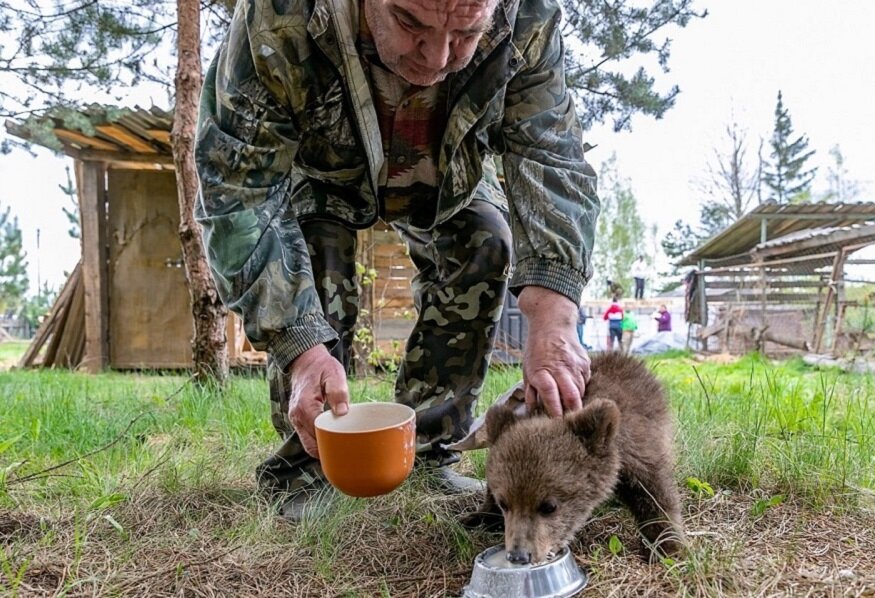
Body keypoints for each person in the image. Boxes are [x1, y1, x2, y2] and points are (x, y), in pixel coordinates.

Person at [194, 0, 600, 516]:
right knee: (316, 256)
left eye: (466, 34)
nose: (436, 58)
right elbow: (236, 188)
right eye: (411, 23)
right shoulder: (282, 16)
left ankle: (430, 449)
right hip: (321, 175)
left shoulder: (527, 17)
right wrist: (300, 347)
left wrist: (555, 321)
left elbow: (550, 158)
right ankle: (308, 464)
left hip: (447, 177)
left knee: (485, 239)